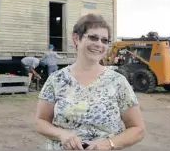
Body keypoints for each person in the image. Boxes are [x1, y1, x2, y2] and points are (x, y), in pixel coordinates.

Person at [35, 13, 145, 150]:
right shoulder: (56, 80)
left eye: (104, 40)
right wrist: (61, 134)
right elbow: (40, 121)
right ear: (76, 38)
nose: (99, 44)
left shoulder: (117, 82)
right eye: (93, 37)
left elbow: (137, 128)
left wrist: (108, 144)